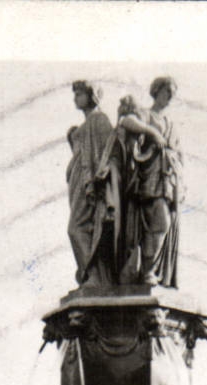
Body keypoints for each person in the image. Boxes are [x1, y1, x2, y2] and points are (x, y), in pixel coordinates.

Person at [112, 77, 181, 286]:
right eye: (166, 92)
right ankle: (148, 272)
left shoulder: (171, 124)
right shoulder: (145, 114)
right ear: (156, 91)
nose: (169, 97)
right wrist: (151, 132)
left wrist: (181, 183)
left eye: (172, 94)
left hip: (167, 179)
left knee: (162, 223)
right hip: (149, 177)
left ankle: (150, 271)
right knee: (160, 222)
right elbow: (125, 121)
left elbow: (179, 153)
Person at [66, 80, 119, 286]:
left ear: (92, 95)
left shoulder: (99, 120)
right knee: (80, 227)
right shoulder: (85, 124)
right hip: (78, 182)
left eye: (79, 94)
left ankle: (94, 276)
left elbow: (110, 153)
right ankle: (92, 275)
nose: (75, 98)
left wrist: (101, 181)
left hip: (90, 184)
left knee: (76, 228)